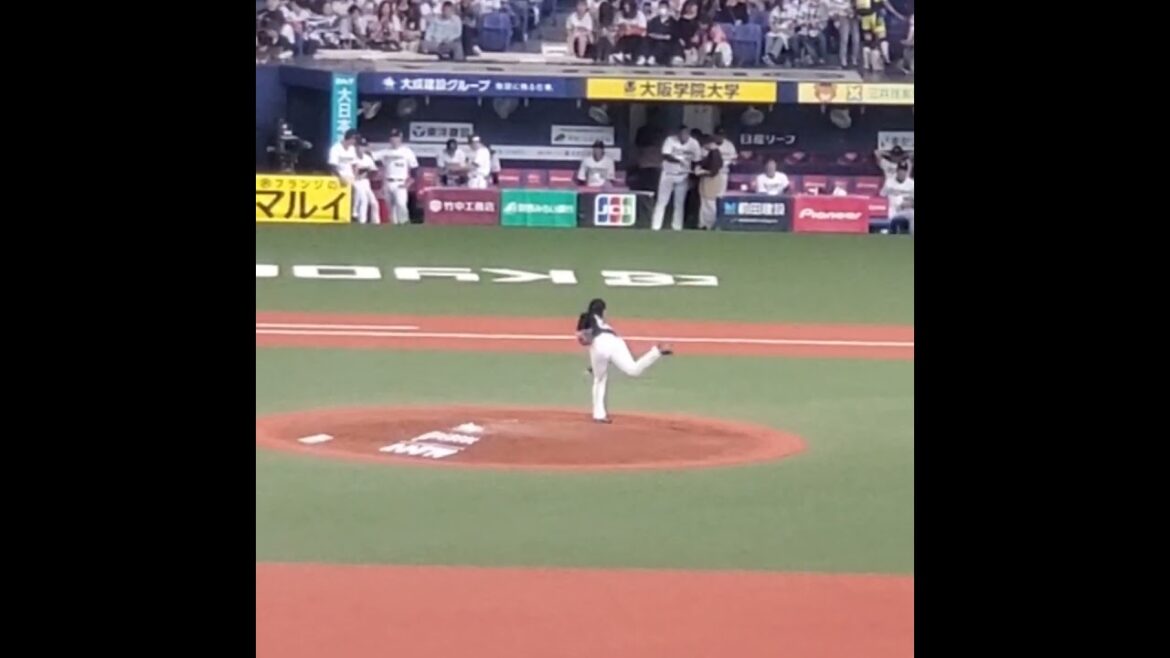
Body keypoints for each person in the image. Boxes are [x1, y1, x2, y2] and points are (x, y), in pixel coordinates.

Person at [576, 298, 673, 424]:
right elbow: (606, 352)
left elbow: (582, 337)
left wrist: (593, 364)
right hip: (615, 341)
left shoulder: (586, 317)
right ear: (603, 311)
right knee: (633, 369)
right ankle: (656, 352)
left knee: (599, 379)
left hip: (599, 344)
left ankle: (599, 415)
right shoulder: (605, 325)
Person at [651, 126, 702, 231]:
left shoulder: (694, 143)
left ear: (688, 134)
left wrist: (695, 171)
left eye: (685, 134)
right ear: (678, 134)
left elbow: (697, 160)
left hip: (683, 175)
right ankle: (655, 227)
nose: (683, 137)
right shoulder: (670, 140)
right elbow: (665, 155)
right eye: (681, 134)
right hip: (668, 174)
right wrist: (679, 161)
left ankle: (677, 227)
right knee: (662, 201)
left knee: (679, 203)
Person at [372, 128, 419, 225]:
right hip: (388, 182)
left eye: (396, 137)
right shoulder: (385, 152)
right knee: (390, 208)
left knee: (401, 204)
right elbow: (370, 156)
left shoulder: (407, 152)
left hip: (401, 182)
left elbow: (414, 168)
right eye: (392, 137)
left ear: (400, 138)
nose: (394, 140)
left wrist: (409, 182)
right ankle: (394, 227)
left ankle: (404, 223)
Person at [327, 129, 360, 220]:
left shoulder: (352, 149)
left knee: (358, 191)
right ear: (350, 138)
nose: (355, 142)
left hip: (350, 175)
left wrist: (356, 174)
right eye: (354, 139)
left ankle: (353, 213)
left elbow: (354, 163)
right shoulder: (336, 148)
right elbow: (333, 166)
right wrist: (340, 177)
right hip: (339, 175)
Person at [693, 136, 724, 230]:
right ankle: (703, 223)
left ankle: (710, 224)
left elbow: (714, 171)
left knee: (710, 203)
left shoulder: (716, 153)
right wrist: (699, 167)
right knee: (704, 203)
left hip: (712, 181)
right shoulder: (711, 153)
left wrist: (701, 172)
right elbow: (704, 163)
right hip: (706, 180)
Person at [353, 138, 381, 224]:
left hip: (365, 182)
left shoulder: (368, 158)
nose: (361, 148)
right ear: (356, 147)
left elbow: (374, 171)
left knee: (374, 203)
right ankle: (362, 221)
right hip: (356, 182)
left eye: (363, 146)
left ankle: (376, 222)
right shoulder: (353, 157)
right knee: (363, 200)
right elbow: (355, 173)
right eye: (359, 146)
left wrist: (368, 173)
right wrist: (363, 172)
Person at [880, 161, 914, 234]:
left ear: (906, 172)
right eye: (900, 170)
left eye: (904, 171)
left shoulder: (911, 184)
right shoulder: (889, 182)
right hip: (891, 209)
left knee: (912, 214)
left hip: (905, 210)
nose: (902, 173)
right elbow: (882, 195)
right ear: (897, 171)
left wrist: (910, 203)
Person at [615, 0, 648, 64]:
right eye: (624, 5)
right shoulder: (619, 14)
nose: (625, 7)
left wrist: (631, 31)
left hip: (637, 38)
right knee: (622, 38)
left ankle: (638, 57)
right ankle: (620, 54)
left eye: (627, 5)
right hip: (623, 37)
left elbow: (643, 31)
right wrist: (622, 30)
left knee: (635, 38)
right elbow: (616, 27)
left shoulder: (640, 15)